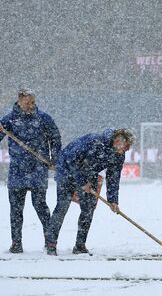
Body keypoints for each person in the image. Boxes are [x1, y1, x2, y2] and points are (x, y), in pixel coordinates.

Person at [45, 128, 134, 256]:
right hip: (67, 171)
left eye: (126, 150)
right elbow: (71, 159)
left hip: (89, 174)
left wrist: (113, 200)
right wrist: (81, 182)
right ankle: (51, 245)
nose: (123, 151)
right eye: (124, 147)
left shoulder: (118, 155)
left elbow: (113, 177)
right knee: (62, 207)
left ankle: (80, 245)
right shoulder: (94, 141)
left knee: (88, 209)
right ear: (117, 140)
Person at [0, 87, 61, 253]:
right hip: (17, 172)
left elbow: (55, 139)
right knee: (16, 210)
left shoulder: (44, 119)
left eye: (33, 102)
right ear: (19, 101)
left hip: (38, 170)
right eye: (28, 102)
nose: (32, 105)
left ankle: (50, 242)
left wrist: (53, 159)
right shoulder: (8, 120)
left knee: (40, 206)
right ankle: (16, 243)